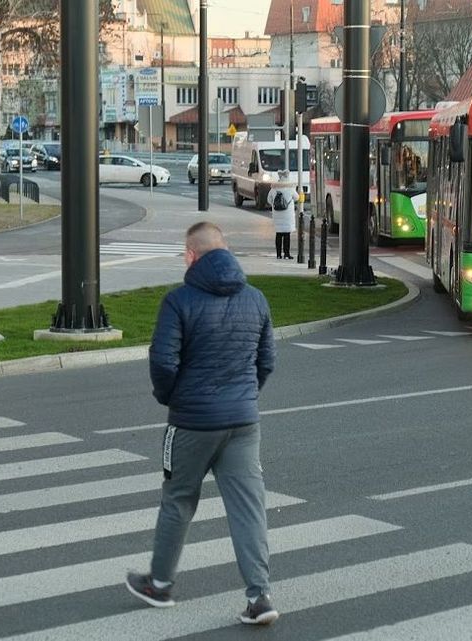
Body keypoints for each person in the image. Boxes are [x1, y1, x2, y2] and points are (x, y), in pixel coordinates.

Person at [126, 222, 279, 626]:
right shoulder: (256, 299)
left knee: (178, 499)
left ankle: (159, 584)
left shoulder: (179, 301)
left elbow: (162, 362)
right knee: (248, 508)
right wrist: (245, 396)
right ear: (224, 250)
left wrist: (172, 398)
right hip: (243, 422)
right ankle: (259, 596)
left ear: (191, 256)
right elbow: (266, 362)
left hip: (191, 423)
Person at [269, 186, 298, 259]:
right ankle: (286, 254)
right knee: (287, 235)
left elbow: (269, 200)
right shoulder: (290, 189)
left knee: (278, 234)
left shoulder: (273, 189)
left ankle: (278, 254)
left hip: (277, 214)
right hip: (287, 215)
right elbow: (297, 198)